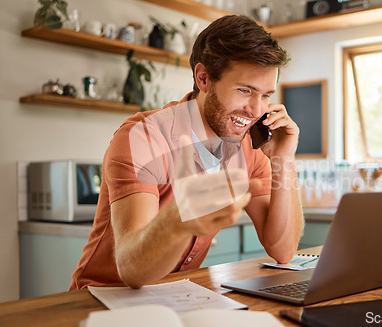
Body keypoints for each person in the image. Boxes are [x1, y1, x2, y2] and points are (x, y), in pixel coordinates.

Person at [69, 15, 303, 290]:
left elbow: (283, 250)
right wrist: (179, 220)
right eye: (244, 90)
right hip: (103, 299)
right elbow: (131, 270)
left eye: (265, 95)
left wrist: (283, 159)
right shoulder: (144, 137)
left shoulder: (250, 146)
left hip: (177, 296)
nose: (256, 110)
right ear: (203, 78)